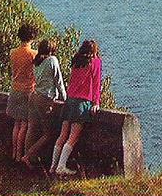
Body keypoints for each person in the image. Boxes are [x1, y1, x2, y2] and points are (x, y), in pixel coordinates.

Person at [50, 40, 102, 176]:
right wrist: (96, 102)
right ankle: (61, 167)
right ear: (94, 51)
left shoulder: (76, 61)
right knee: (73, 137)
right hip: (81, 103)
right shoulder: (95, 62)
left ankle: (53, 166)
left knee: (62, 135)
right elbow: (96, 84)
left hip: (69, 101)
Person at [21, 38, 66, 167]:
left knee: (32, 128)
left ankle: (29, 160)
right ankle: (28, 156)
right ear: (51, 50)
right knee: (48, 134)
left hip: (34, 96)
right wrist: (65, 99)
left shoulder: (36, 62)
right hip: (45, 99)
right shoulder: (52, 60)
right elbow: (59, 81)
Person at [7, 23, 39, 161]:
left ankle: (14, 153)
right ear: (32, 37)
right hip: (28, 90)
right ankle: (20, 155)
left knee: (16, 124)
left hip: (14, 89)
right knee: (24, 124)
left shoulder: (13, 52)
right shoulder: (34, 54)